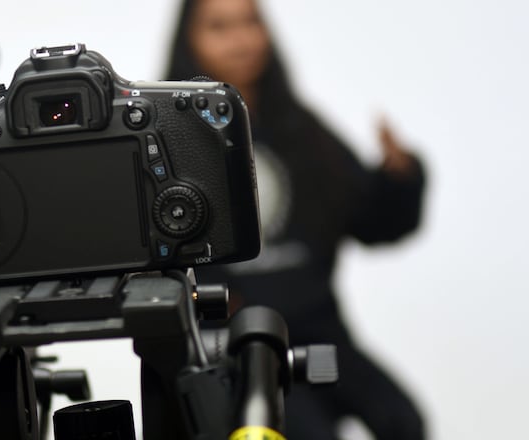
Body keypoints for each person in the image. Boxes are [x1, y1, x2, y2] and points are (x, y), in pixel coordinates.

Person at [165, 0, 427, 438]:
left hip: (319, 331)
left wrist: (399, 178)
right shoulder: (173, 139)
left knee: (403, 420)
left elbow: (370, 220)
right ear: (188, 40)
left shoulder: (304, 132)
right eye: (219, 27)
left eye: (250, 23)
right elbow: (161, 245)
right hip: (239, 342)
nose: (240, 40)